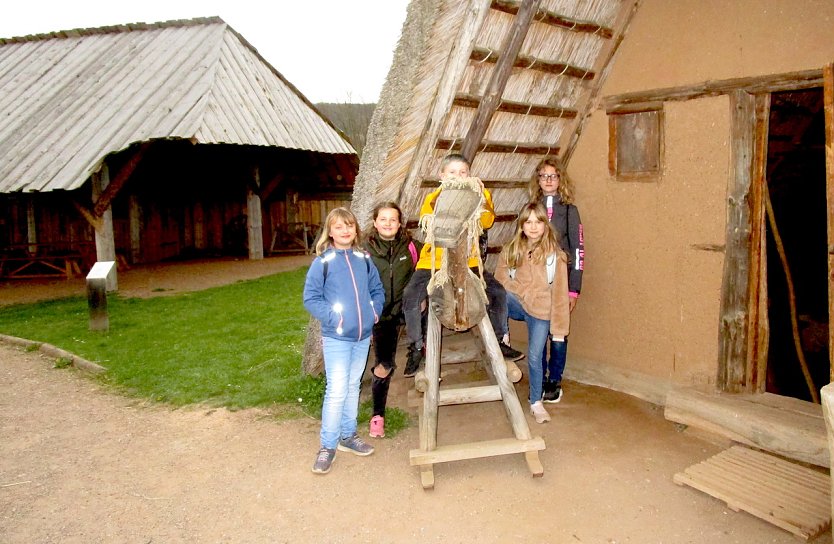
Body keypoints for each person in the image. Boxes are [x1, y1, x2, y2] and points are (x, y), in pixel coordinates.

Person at [401, 153, 523, 377]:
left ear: (470, 174)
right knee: (410, 295)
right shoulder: (433, 197)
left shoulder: (480, 193)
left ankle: (498, 340)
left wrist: (480, 199)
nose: (458, 176)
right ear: (442, 175)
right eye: (452, 172)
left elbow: (487, 221)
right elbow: (430, 225)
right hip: (434, 262)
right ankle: (416, 347)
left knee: (497, 292)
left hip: (469, 261)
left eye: (463, 172)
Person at [303, 207, 385, 474]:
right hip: (337, 338)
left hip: (362, 337)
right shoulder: (323, 263)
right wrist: (334, 319)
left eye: (349, 226)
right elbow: (311, 298)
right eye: (339, 227)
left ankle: (348, 437)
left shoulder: (364, 259)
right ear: (330, 231)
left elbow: (377, 290)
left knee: (352, 387)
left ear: (355, 229)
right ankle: (327, 446)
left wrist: (374, 312)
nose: (345, 231)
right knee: (336, 390)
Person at [495, 202, 570, 423]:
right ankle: (503, 335)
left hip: (541, 311)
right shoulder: (511, 249)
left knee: (536, 356)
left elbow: (560, 296)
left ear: (546, 226)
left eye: (538, 222)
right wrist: (523, 292)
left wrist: (559, 330)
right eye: (528, 222)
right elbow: (501, 280)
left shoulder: (556, 256)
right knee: (495, 295)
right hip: (518, 303)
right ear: (521, 226)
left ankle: (536, 402)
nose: (533, 227)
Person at [362, 202, 422, 438]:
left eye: (393, 219)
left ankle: (418, 351)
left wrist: (423, 296)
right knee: (384, 364)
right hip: (381, 315)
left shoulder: (411, 247)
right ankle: (378, 416)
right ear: (375, 222)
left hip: (407, 309)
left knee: (425, 331)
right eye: (383, 219)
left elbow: (428, 269)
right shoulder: (364, 250)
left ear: (400, 223)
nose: (388, 224)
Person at [529, 157, 584, 403]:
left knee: (558, 334)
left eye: (553, 176)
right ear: (538, 180)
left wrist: (574, 289)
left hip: (561, 284)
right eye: (543, 176)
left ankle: (554, 381)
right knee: (539, 332)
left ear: (560, 180)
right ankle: (539, 379)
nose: (548, 180)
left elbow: (578, 251)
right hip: (537, 284)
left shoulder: (570, 211)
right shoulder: (531, 209)